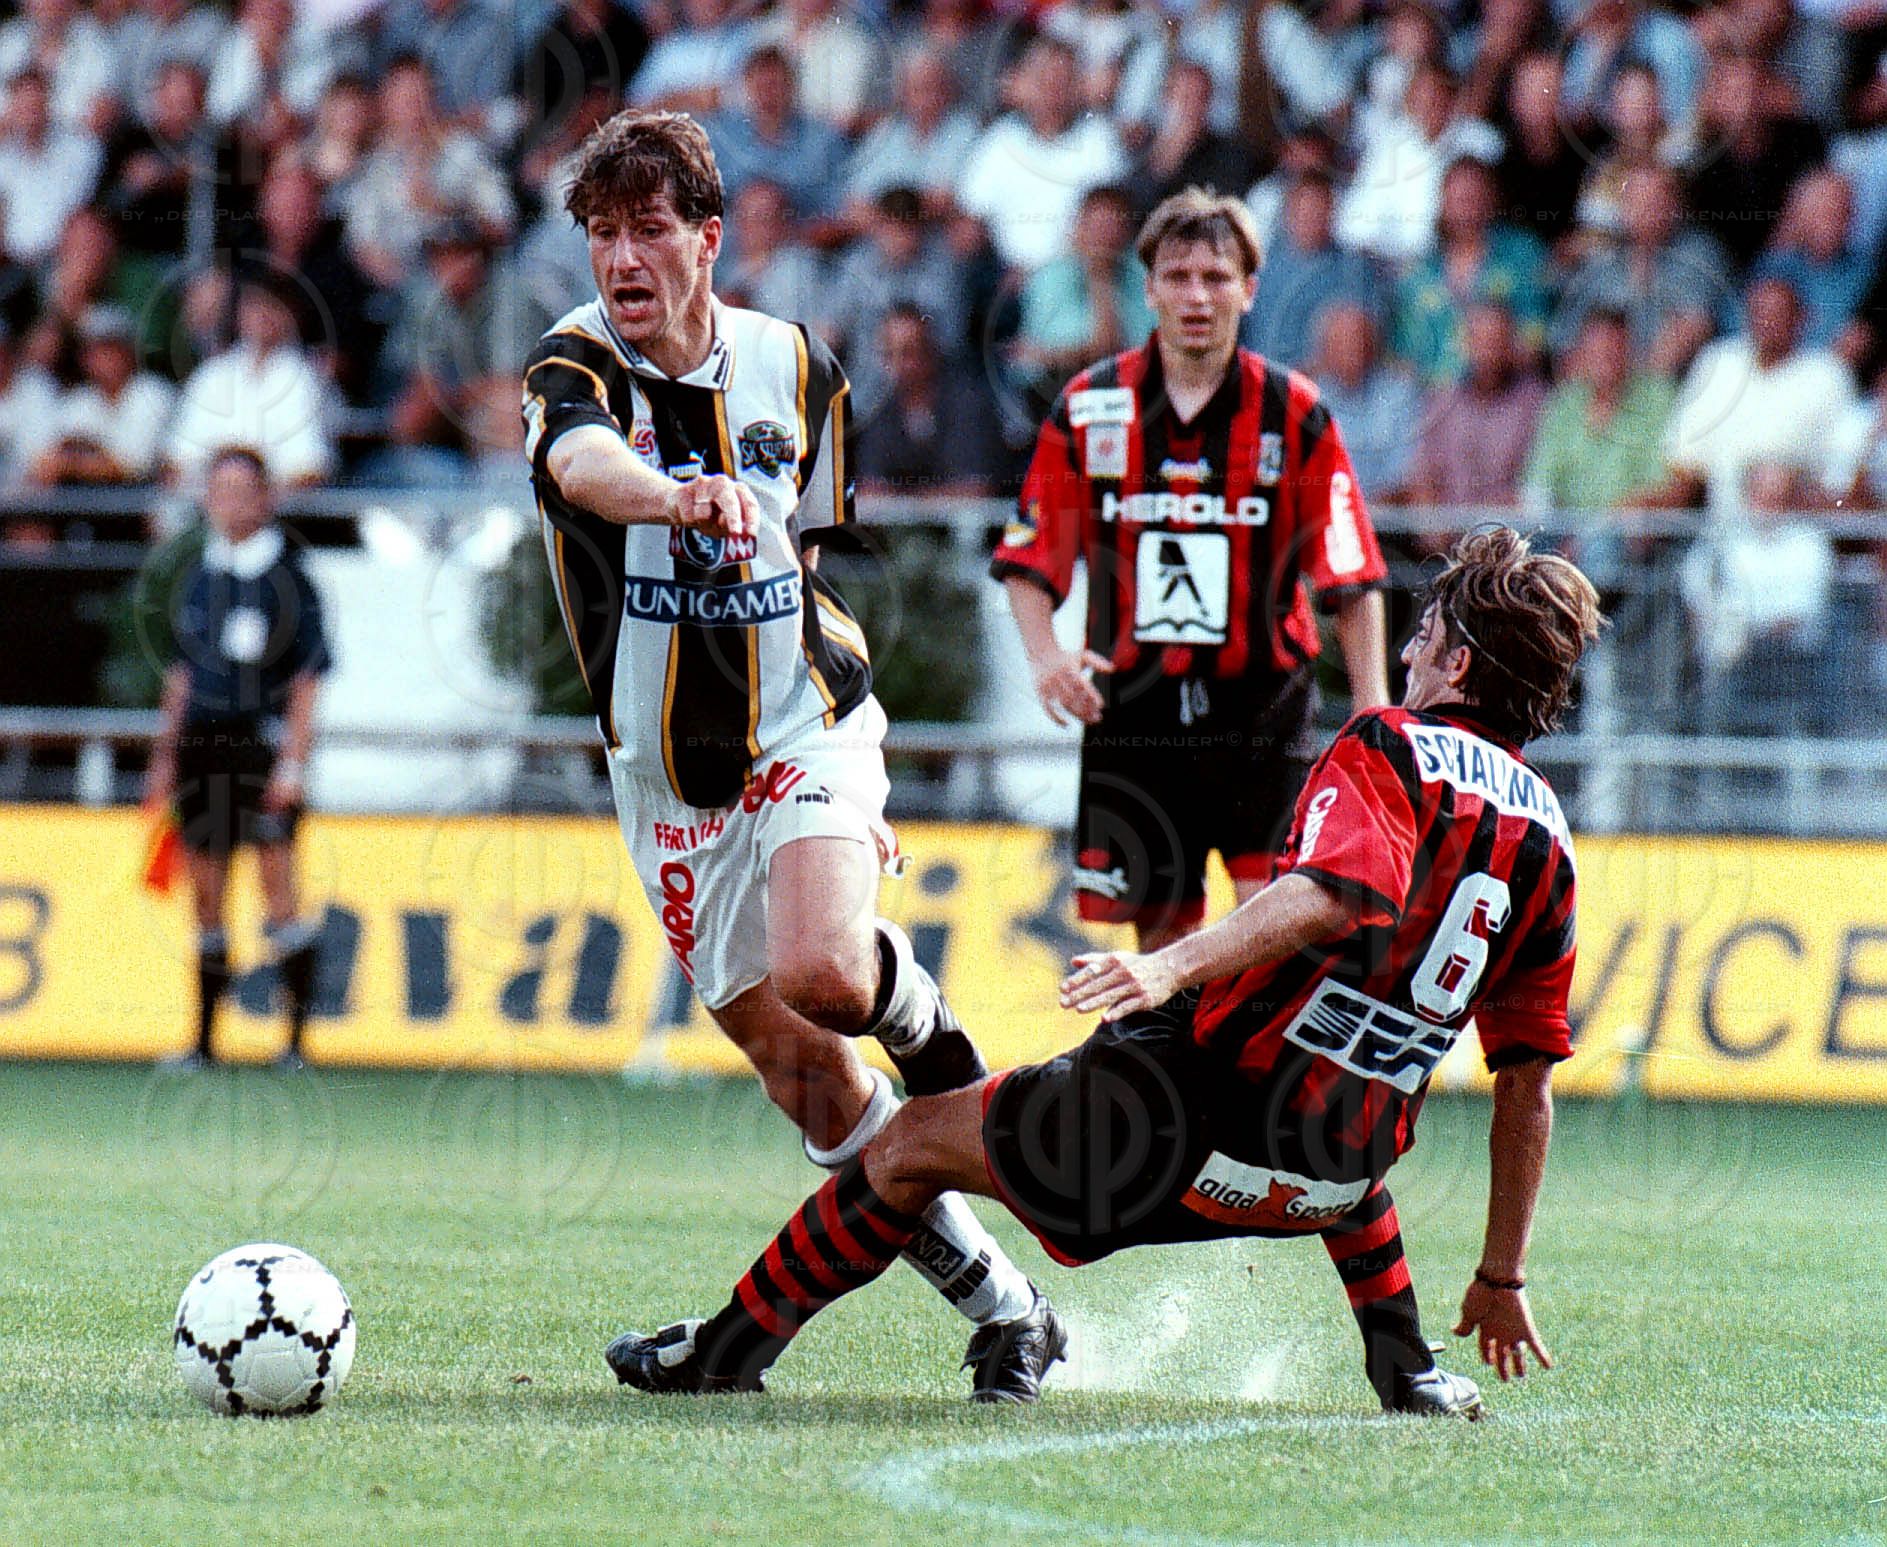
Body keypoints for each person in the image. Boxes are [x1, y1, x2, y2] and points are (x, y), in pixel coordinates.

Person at [609, 528, 1602, 1418]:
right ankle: (1407, 1368)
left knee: (906, 1146)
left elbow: (1331, 895)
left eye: (1423, 636)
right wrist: (1501, 1275)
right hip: (1320, 1183)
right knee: (1342, 1110)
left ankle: (726, 1353)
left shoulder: (1391, 742)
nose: (1407, 653)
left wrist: (1167, 964)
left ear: (1458, 663)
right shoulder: (1551, 842)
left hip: (1163, 1132)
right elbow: (1527, 1088)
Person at [517, 109, 1053, 1400]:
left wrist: (844, 799)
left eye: (649, 229)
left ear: (709, 238)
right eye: (602, 232)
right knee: (805, 1076)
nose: (623, 257)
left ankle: (916, 1015)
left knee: (823, 970)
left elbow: (807, 561)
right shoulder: (569, 363)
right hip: (667, 782)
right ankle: (1009, 1307)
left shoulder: (799, 366)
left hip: (803, 723)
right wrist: (673, 495)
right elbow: (579, 464)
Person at [992, 187, 1390, 954]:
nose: (1197, 296)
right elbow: (1028, 558)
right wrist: (1045, 658)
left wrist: (1372, 711)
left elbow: (1351, 575)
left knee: (1273, 924)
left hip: (1262, 706)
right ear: (1148, 289)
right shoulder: (1091, 405)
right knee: (1159, 940)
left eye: (1215, 277)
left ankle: (1259, 1037)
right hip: (1134, 708)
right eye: (1177, 277)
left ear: (1249, 288)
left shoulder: (1293, 412)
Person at [146, 448, 330, 1069]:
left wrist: (293, 764)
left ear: (265, 497)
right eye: (217, 490)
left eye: (240, 490)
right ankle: (204, 1043)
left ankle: (294, 1043)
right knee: (205, 891)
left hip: (261, 745)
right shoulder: (200, 571)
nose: (227, 502)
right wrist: (165, 756)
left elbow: (308, 678)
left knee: (278, 887)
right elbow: (181, 671)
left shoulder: (290, 576)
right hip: (203, 746)